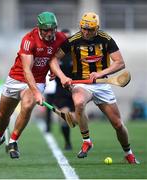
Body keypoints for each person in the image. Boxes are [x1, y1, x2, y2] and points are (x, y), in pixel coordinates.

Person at [50, 12, 139, 164]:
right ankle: (87, 140)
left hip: (102, 85)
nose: (86, 32)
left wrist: (100, 73)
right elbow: (53, 60)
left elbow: (120, 63)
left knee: (118, 124)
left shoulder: (106, 39)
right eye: (84, 28)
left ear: (97, 28)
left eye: (90, 29)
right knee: (78, 102)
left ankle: (128, 153)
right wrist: (62, 76)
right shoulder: (73, 41)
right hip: (82, 84)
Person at [0, 11, 71, 160]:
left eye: (52, 29)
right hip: (16, 79)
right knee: (3, 114)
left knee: (27, 105)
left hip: (38, 80)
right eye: (46, 30)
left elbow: (57, 56)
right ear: (39, 28)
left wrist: (56, 69)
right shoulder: (29, 40)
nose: (50, 33)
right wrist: (37, 93)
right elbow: (27, 70)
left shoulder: (61, 38)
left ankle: (13, 141)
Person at [45, 29, 74, 150]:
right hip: (61, 91)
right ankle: (67, 142)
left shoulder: (75, 53)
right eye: (64, 38)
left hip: (76, 90)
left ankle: (86, 141)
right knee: (65, 116)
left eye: (68, 38)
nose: (66, 41)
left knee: (77, 118)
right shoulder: (55, 55)